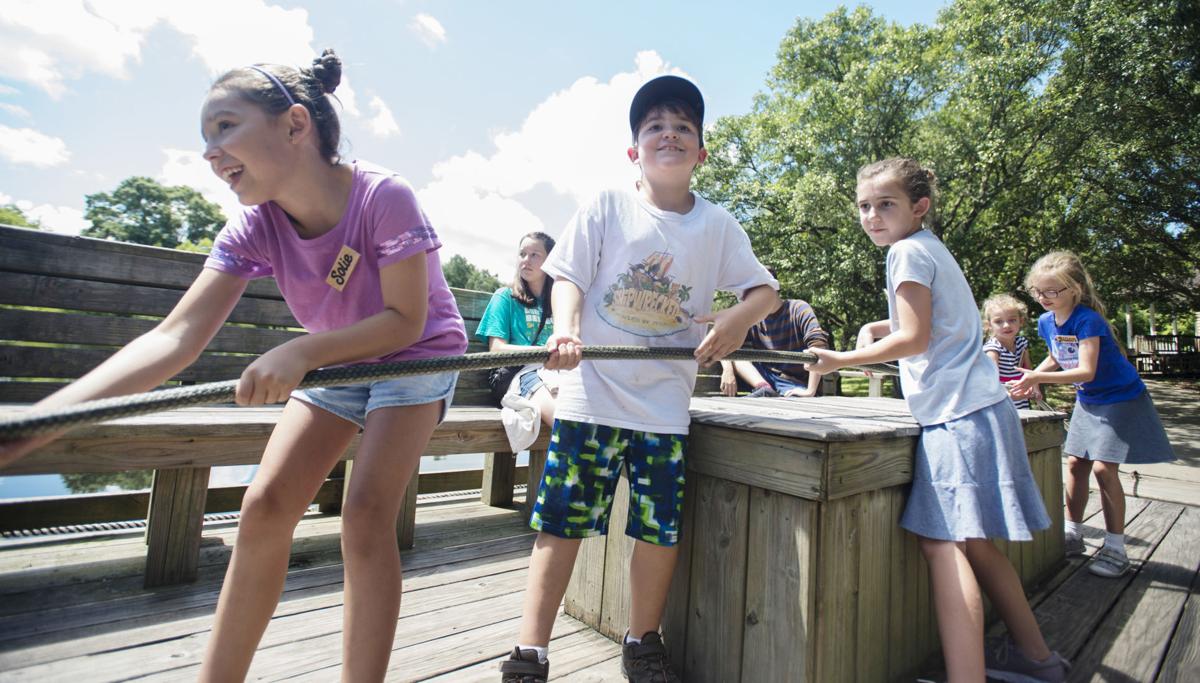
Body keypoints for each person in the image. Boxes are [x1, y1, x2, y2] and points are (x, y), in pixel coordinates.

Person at [0, 50, 468, 682]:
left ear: (295, 126)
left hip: (413, 356)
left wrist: (299, 352)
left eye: (225, 127)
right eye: (205, 137)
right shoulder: (254, 227)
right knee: (265, 506)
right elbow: (177, 337)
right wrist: (43, 421)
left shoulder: (383, 196)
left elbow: (404, 321)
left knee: (364, 514)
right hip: (334, 365)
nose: (210, 152)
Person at [499, 75, 779, 683]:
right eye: (655, 127)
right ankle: (531, 650)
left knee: (658, 532)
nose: (669, 134)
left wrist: (734, 320)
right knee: (560, 523)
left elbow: (765, 290)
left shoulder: (718, 226)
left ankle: (641, 640)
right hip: (590, 398)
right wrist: (564, 331)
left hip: (663, 413)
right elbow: (568, 276)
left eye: (683, 127)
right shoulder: (606, 206)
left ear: (701, 153)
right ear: (635, 151)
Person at [805, 158, 1068, 682]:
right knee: (973, 544)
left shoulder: (905, 251)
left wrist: (838, 360)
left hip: (957, 418)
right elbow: (941, 321)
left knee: (941, 544)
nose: (872, 217)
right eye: (863, 207)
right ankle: (1039, 659)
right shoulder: (931, 249)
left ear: (918, 207)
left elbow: (916, 338)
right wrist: (874, 326)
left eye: (886, 205)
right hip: (983, 410)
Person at [1009, 251, 1176, 579]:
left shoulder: (1088, 321)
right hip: (1090, 399)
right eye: (1038, 292)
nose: (1044, 298)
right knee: (1075, 463)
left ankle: (1116, 547)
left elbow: (1085, 370)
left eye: (1052, 291)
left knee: (1103, 468)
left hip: (1121, 398)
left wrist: (1036, 378)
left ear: (1073, 289)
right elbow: (1058, 358)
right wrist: (1027, 379)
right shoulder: (1046, 321)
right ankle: (1073, 532)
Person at [476, 232, 558, 427]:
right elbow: (496, 349)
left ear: (551, 261)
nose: (526, 260)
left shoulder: (559, 303)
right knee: (563, 422)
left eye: (535, 255)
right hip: (517, 373)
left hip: (553, 373)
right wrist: (545, 353)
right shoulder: (505, 297)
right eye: (522, 254)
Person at [718, 297, 828, 398]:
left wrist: (810, 391)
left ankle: (765, 393)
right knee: (739, 358)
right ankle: (764, 388)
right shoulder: (753, 319)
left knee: (792, 399)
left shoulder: (798, 308)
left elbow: (818, 345)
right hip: (764, 378)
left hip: (793, 383)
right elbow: (725, 342)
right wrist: (727, 369)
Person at [982, 293, 1036, 410]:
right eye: (998, 322)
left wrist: (1035, 389)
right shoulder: (993, 349)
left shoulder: (1021, 343)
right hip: (1001, 400)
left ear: (1021, 321)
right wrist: (1009, 395)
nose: (1006, 325)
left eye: (1012, 320)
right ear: (989, 325)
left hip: (1021, 397)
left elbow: (1029, 371)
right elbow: (991, 380)